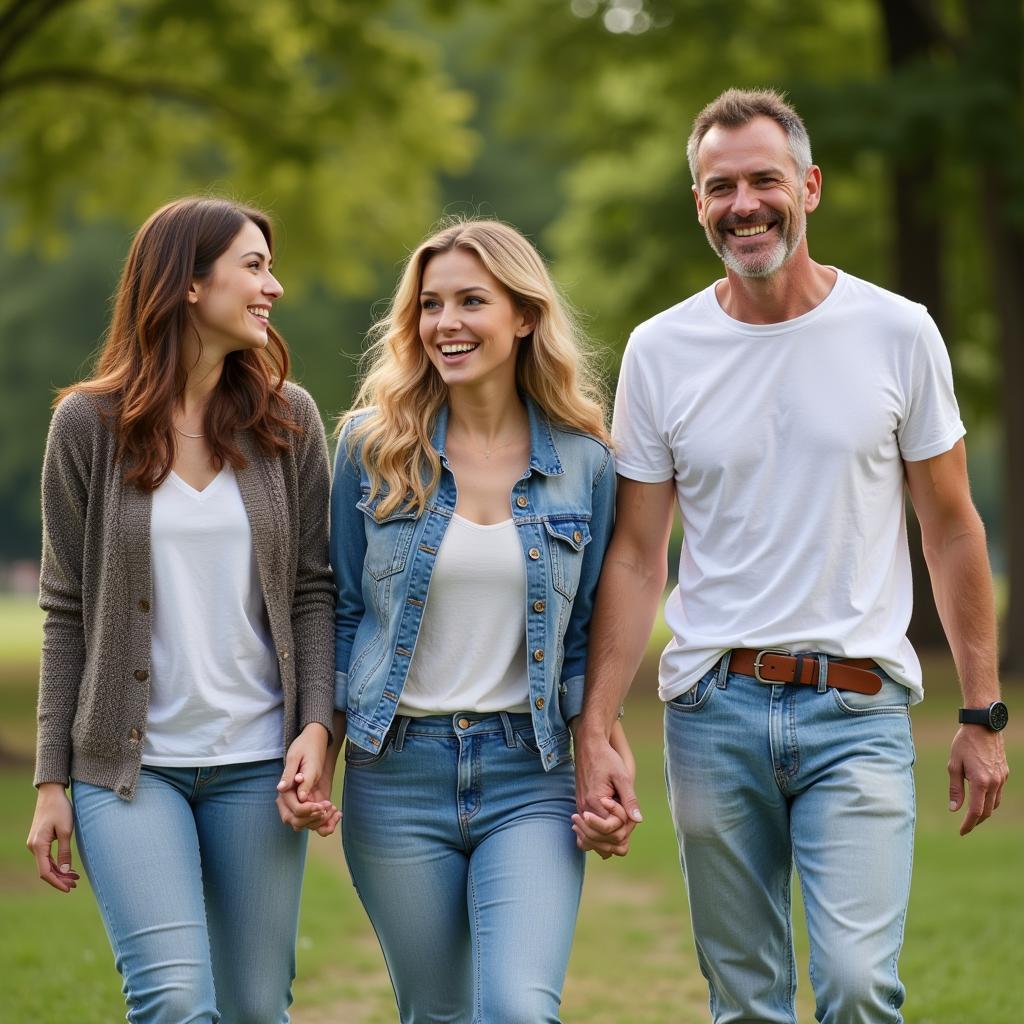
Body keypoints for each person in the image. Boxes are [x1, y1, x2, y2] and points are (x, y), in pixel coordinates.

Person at [573, 88, 1010, 1023]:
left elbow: (950, 525)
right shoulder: (660, 350)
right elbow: (639, 555)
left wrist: (982, 708)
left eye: (764, 180)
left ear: (808, 186)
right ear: (699, 203)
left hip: (857, 709)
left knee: (857, 985)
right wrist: (600, 723)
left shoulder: (899, 331)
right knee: (746, 999)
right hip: (711, 711)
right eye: (719, 186)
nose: (744, 205)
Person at [26, 197, 338, 1023]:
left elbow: (312, 589)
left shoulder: (288, 420)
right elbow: (65, 608)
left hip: (255, 764)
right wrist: (51, 779)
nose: (273, 286)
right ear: (190, 285)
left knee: (255, 1007)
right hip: (130, 770)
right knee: (170, 1000)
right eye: (255, 266)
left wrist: (316, 726)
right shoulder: (87, 425)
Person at [325, 218, 628, 1022]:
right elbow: (344, 608)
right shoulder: (370, 448)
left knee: (517, 1009)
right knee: (438, 1013)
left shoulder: (586, 461)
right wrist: (320, 732)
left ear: (523, 315)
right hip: (397, 773)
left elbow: (591, 630)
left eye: (470, 301)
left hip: (529, 772)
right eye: (430, 305)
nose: (445, 324)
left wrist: (599, 741)